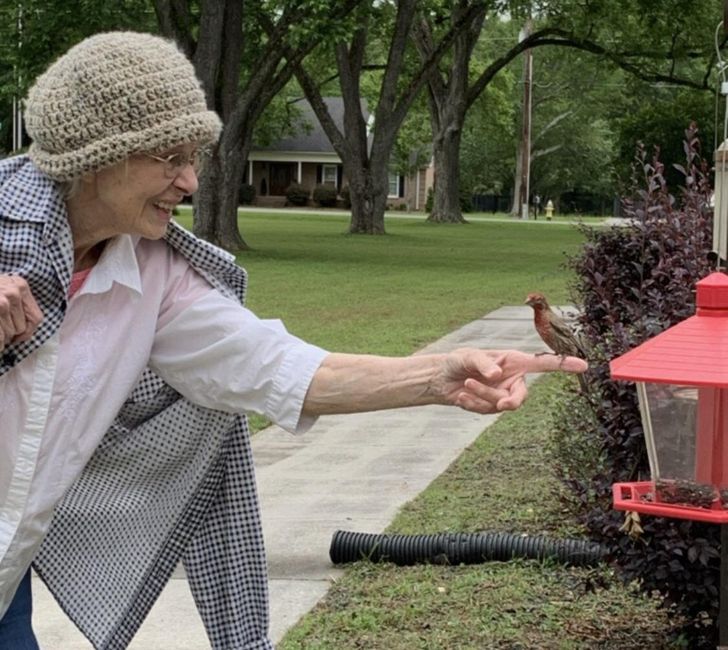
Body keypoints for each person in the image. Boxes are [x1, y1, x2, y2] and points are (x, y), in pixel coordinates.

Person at [0, 31, 587, 650]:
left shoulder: (153, 274)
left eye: (194, 156)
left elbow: (272, 366)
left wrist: (441, 375)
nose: (191, 182)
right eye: (170, 157)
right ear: (98, 157)